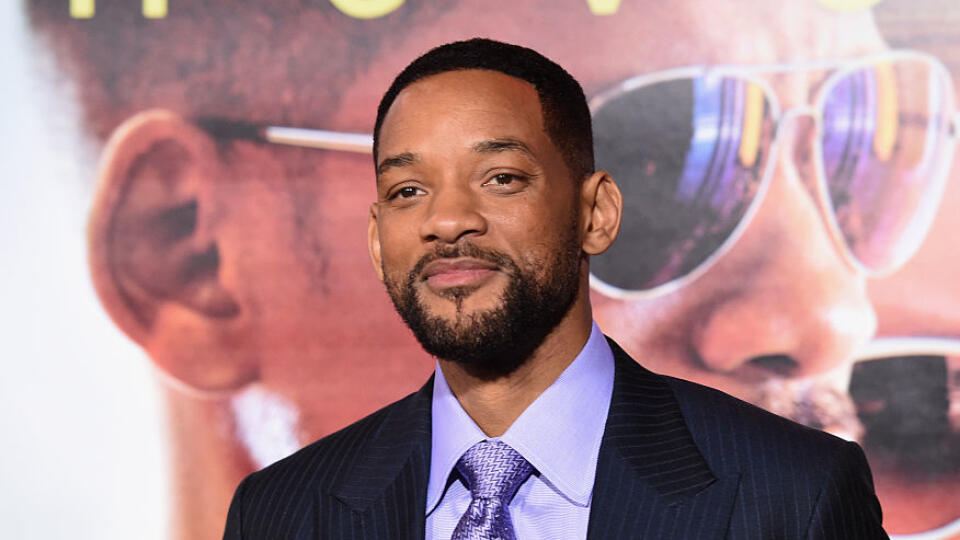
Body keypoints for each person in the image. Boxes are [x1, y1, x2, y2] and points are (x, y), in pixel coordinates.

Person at [24, 0, 956, 538]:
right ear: (193, 253)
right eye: (670, 160)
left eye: (859, 143)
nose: (834, 312)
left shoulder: (802, 492)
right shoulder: (287, 514)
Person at [222, 37, 887, 539]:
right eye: (408, 190)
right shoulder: (283, 512)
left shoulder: (794, 496)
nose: (447, 220)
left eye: (501, 177)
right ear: (376, 241)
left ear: (595, 214)